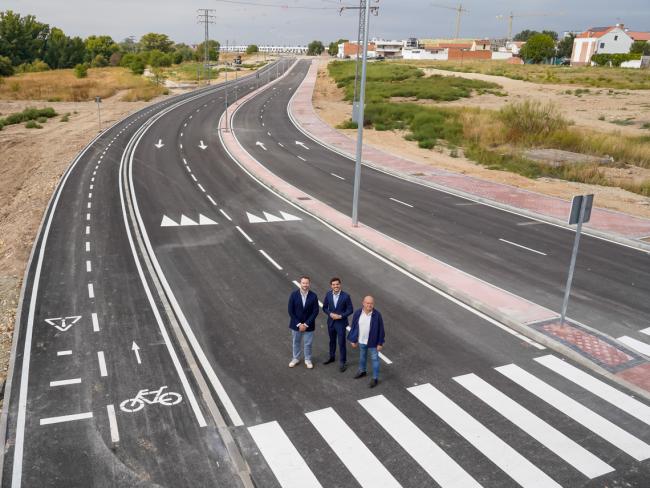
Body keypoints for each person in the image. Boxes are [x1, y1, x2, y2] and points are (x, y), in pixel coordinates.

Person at [348, 296, 385, 388]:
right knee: (362, 356)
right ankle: (362, 371)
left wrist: (380, 343)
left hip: (373, 342)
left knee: (375, 359)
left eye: (371, 303)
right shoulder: (358, 313)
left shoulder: (377, 315)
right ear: (363, 303)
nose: (369, 305)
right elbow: (354, 327)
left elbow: (381, 330)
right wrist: (353, 339)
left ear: (373, 304)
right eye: (367, 303)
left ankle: (375, 378)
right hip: (361, 340)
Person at [321, 277, 354, 372]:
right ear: (331, 286)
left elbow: (350, 309)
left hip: (340, 323)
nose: (336, 286)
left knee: (341, 343)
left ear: (340, 285)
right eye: (334, 284)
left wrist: (340, 316)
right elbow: (324, 308)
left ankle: (343, 362)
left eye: (337, 284)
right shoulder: (328, 295)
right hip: (331, 322)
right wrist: (330, 314)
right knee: (332, 341)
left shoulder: (346, 296)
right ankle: (332, 357)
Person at [287, 276, 319, 369]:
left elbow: (315, 311)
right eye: (303, 283)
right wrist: (299, 324)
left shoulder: (313, 296)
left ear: (309, 284)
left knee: (308, 343)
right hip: (295, 325)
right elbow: (290, 311)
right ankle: (295, 358)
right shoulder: (293, 295)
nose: (305, 285)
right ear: (300, 283)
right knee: (296, 342)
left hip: (309, 325)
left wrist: (305, 324)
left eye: (307, 283)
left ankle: (308, 359)